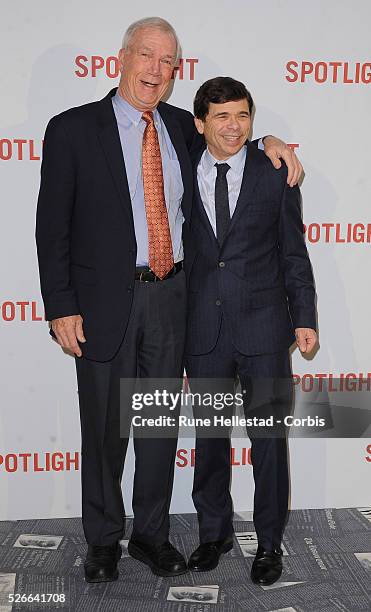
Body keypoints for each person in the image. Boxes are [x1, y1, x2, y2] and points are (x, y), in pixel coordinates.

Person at [35, 17, 302, 583]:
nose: (157, 70)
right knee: (105, 430)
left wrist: (271, 142)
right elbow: (51, 227)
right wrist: (60, 305)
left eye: (168, 61)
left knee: (156, 429)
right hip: (102, 305)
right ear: (123, 57)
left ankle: (150, 537)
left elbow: (229, 139)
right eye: (148, 56)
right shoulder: (72, 129)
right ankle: (104, 540)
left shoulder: (181, 124)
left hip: (171, 298)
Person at [184, 77, 317, 585]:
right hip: (203, 331)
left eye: (242, 116)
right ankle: (212, 534)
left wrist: (303, 315)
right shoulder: (178, 161)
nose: (234, 126)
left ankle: (268, 543)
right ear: (200, 124)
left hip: (264, 328)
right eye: (221, 117)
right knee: (210, 439)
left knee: (268, 442)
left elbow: (293, 251)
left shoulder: (273, 172)